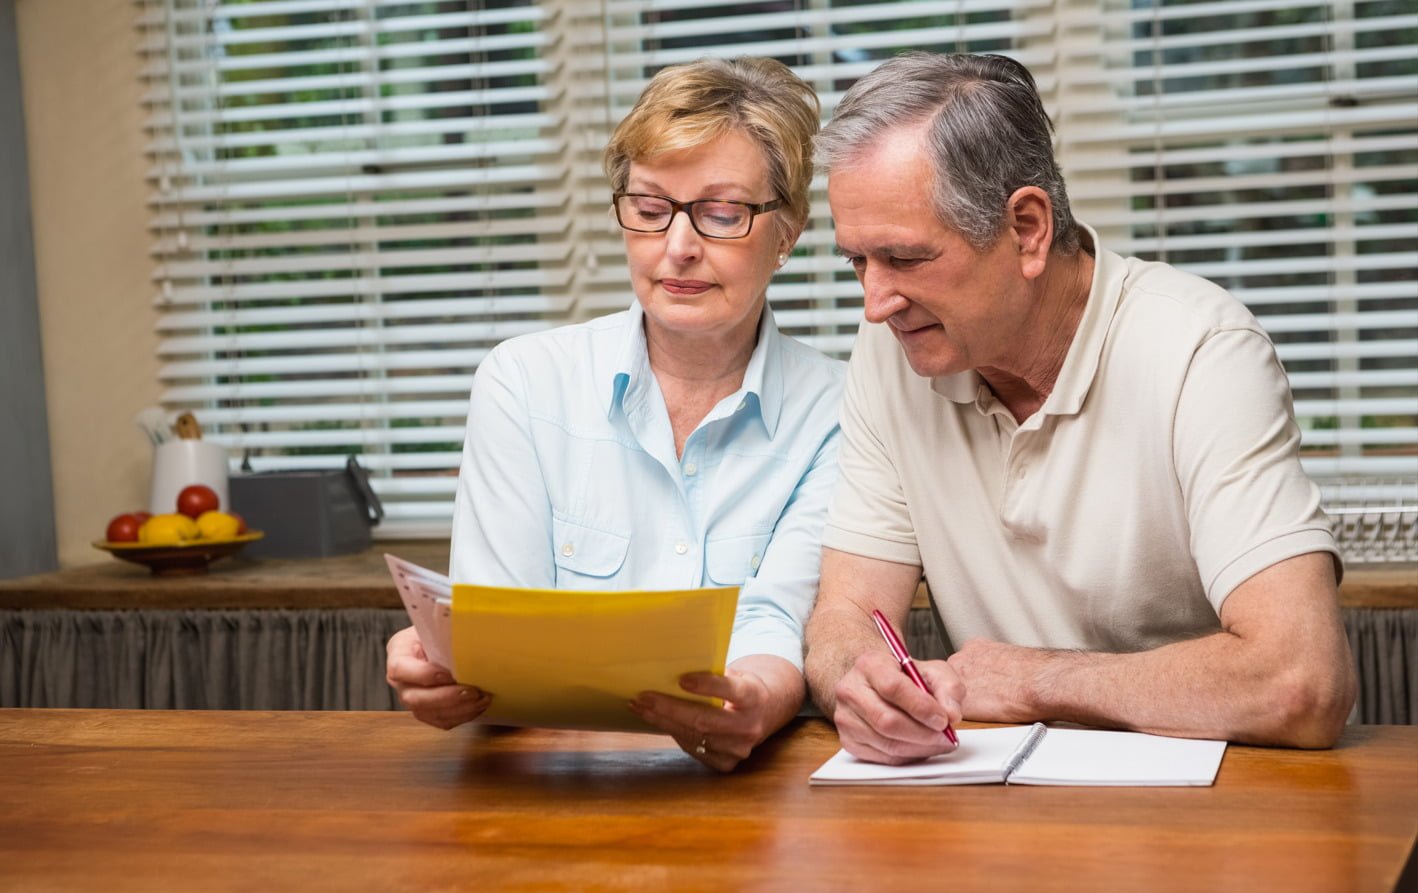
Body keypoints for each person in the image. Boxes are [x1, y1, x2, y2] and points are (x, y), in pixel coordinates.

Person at [802, 52, 1356, 764]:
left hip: (1223, 817)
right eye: (857, 262)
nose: (874, 303)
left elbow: (1300, 679)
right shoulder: (892, 351)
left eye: (905, 259)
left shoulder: (1200, 348)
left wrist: (1035, 679)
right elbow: (845, 615)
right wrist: (864, 684)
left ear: (1027, 228)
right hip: (1005, 812)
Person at [386, 58, 844, 772]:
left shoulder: (838, 410)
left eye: (722, 213)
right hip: (545, 789)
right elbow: (500, 631)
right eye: (651, 207)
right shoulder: (525, 382)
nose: (679, 247)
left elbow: (775, 617)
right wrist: (446, 666)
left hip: (747, 792)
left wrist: (759, 695)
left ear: (786, 233)